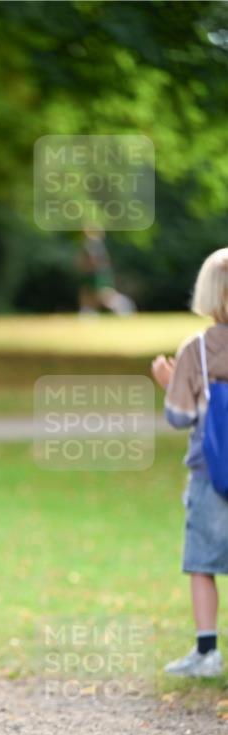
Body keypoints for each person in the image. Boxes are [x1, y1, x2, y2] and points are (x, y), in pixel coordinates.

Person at [151, 247, 228, 678]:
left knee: (204, 562)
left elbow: (180, 416)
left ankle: (206, 652)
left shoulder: (197, 350)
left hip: (211, 470)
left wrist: (169, 381)